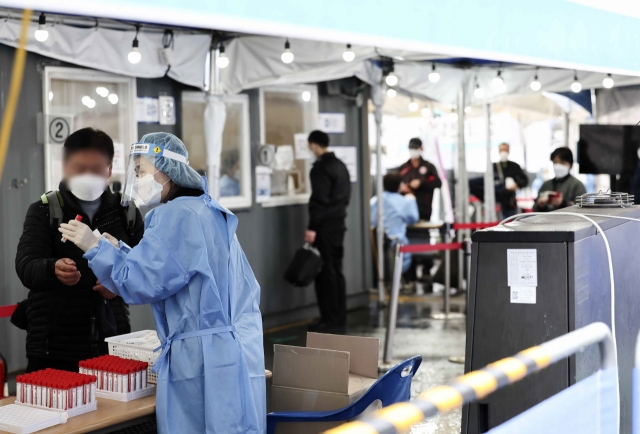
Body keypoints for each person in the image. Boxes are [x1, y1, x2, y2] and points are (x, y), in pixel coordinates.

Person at [58, 132, 265, 434]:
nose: (138, 178)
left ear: (165, 169)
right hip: (235, 348)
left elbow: (142, 282)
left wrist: (95, 247)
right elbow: (177, 268)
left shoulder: (174, 215)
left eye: (141, 171)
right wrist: (122, 252)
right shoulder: (206, 210)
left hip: (201, 357)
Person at [15, 127, 144, 373]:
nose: (88, 175)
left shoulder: (125, 212)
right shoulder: (45, 210)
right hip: (54, 346)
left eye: (96, 169)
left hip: (112, 342)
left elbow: (145, 266)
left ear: (108, 169)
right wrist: (53, 269)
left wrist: (118, 285)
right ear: (65, 167)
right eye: (79, 168)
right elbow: (25, 264)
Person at [304, 130, 351, 332]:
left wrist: (312, 227)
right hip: (339, 225)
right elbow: (344, 198)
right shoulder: (341, 166)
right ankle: (339, 316)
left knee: (324, 273)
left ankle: (329, 318)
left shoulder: (320, 169)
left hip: (324, 227)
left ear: (314, 145)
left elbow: (320, 201)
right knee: (336, 272)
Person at [370, 173, 419, 274]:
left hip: (377, 241)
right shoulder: (404, 202)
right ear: (399, 185)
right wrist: (411, 199)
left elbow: (371, 220)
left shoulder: (375, 200)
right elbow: (413, 218)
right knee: (401, 262)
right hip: (397, 242)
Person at [398, 138, 442, 220]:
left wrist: (421, 183)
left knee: (422, 232)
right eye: (411, 148)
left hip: (424, 210)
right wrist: (402, 189)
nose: (413, 151)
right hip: (405, 211)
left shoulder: (429, 167)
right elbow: (394, 185)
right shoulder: (403, 168)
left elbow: (438, 183)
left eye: (415, 148)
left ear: (421, 148)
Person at [533, 147, 586, 212]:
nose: (558, 166)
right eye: (555, 163)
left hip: (568, 221)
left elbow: (583, 210)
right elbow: (534, 207)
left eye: (562, 163)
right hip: (547, 220)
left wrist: (563, 203)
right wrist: (540, 206)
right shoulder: (546, 184)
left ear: (571, 165)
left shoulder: (577, 185)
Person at [494, 143, 529, 218]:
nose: (504, 152)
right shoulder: (493, 167)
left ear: (509, 151)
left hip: (509, 201)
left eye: (505, 150)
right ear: (498, 151)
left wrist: (516, 185)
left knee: (509, 221)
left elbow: (524, 180)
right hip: (496, 201)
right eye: (502, 149)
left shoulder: (514, 166)